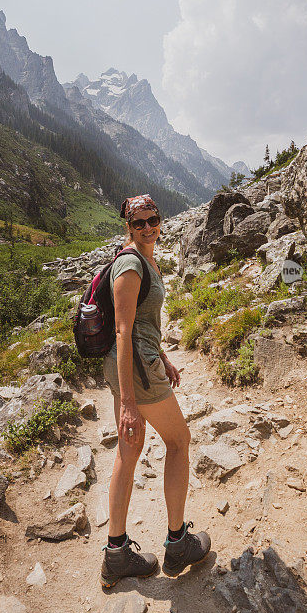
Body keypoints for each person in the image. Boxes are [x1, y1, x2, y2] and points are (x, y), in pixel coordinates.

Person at [100, 193, 211, 588]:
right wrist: (129, 402)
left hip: (135, 363)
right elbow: (123, 330)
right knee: (179, 440)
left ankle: (115, 555)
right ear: (128, 227)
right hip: (135, 368)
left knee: (128, 450)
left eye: (153, 219)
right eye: (139, 223)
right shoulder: (130, 264)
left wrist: (162, 355)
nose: (148, 227)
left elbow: (142, 322)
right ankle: (178, 544)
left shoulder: (143, 259)